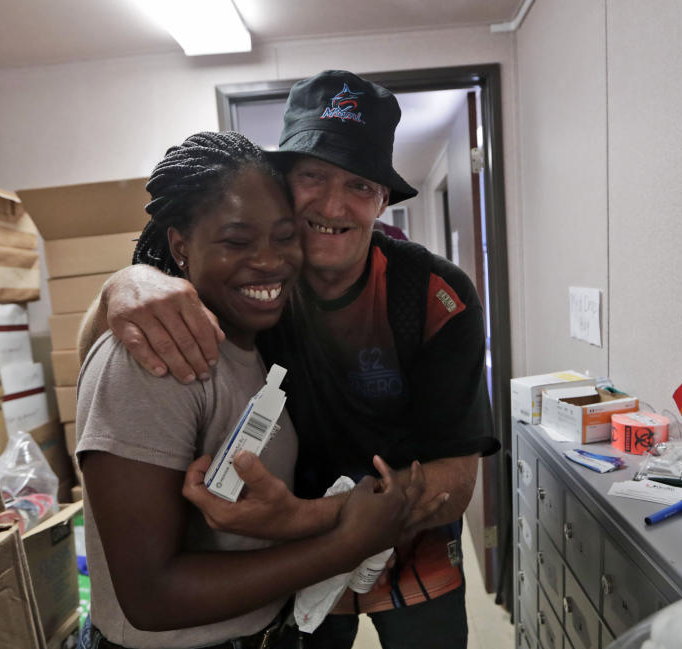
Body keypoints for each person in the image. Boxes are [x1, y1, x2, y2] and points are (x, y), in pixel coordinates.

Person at [84, 71, 500, 649]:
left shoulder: (431, 293)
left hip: (410, 553)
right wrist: (121, 285)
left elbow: (454, 484)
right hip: (286, 572)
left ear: (383, 200)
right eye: (313, 175)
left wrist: (299, 519)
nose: (333, 204)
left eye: (360, 185)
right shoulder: (254, 286)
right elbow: (107, 357)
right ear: (282, 182)